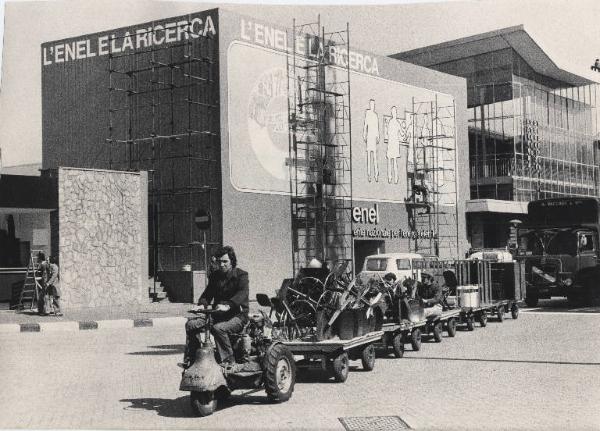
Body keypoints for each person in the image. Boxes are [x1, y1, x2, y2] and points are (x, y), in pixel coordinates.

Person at [183, 245, 249, 366]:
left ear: (232, 261)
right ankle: (193, 358)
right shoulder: (215, 276)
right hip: (218, 314)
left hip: (238, 316)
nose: (222, 264)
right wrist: (202, 305)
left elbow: (242, 294)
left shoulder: (241, 276)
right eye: (220, 262)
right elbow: (207, 295)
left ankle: (229, 361)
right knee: (191, 324)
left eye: (225, 261)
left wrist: (228, 305)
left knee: (218, 329)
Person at [36, 252, 50, 316]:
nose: (37, 259)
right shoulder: (43, 264)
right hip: (42, 281)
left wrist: (40, 278)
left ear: (40, 258)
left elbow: (44, 274)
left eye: (38, 257)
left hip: (44, 282)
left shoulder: (43, 264)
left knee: (43, 296)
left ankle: (44, 311)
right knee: (43, 296)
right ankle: (44, 310)